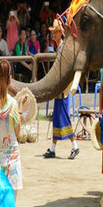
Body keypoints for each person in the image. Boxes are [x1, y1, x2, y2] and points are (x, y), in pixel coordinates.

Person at [43, 19, 79, 159]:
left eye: (55, 32)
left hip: (63, 88)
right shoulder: (60, 47)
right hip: (61, 87)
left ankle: (75, 145)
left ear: (59, 33)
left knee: (62, 115)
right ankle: (53, 148)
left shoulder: (62, 48)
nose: (53, 35)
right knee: (57, 116)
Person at [0, 60, 25, 194]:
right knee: (11, 203)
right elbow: (17, 132)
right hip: (12, 156)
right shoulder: (14, 104)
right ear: (10, 79)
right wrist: (21, 108)